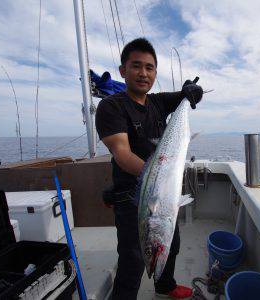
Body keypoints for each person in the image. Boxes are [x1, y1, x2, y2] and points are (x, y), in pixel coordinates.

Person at [95, 38, 203, 300]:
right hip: (132, 197)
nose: (143, 73)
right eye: (136, 66)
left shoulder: (156, 102)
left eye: (150, 68)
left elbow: (183, 97)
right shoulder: (111, 106)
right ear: (123, 70)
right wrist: (161, 180)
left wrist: (190, 90)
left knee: (172, 243)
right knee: (133, 260)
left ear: (155, 72)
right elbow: (122, 154)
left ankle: (164, 286)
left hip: (163, 195)